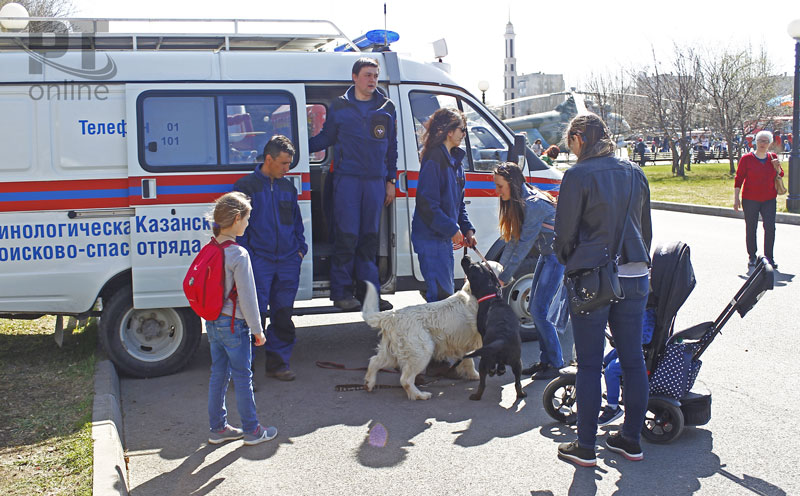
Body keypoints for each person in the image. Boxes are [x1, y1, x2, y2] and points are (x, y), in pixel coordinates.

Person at [554, 113, 652, 467]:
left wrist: (569, 259)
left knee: (590, 364)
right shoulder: (635, 172)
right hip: (635, 273)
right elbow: (645, 228)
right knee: (633, 360)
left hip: (594, 275)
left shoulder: (577, 175)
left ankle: (584, 447)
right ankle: (631, 440)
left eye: (571, 142)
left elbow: (564, 234)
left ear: (579, 138)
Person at [309, 57, 397, 312]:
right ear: (355, 77)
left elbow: (392, 147)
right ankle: (342, 292)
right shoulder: (340, 105)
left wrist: (390, 180)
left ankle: (370, 294)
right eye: (368, 75)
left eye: (376, 75)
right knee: (346, 237)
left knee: (369, 240)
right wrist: (299, 148)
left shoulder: (387, 107)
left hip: (375, 182)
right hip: (347, 180)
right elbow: (327, 137)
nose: (372, 80)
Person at [205, 192, 278, 446]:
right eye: (247, 219)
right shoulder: (238, 254)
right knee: (243, 377)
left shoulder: (211, 247)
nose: (248, 224)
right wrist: (258, 330)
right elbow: (248, 298)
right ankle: (252, 430)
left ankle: (217, 428)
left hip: (213, 321)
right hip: (234, 324)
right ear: (237, 219)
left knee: (218, 374)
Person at [234, 135, 307, 381]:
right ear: (269, 159)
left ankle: (278, 365)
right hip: (259, 261)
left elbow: (297, 222)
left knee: (282, 315)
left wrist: (300, 249)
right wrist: (247, 258)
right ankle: (246, 373)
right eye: (284, 163)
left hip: (288, 261)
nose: (288, 169)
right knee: (253, 318)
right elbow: (238, 228)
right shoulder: (246, 187)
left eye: (289, 164)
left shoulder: (288, 188)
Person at [493, 163, 564, 380]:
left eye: (500, 186)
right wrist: (497, 273)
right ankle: (546, 361)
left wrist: (502, 278)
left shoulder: (533, 205)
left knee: (540, 311)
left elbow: (523, 246)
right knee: (536, 309)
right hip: (547, 254)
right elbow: (513, 241)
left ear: (512, 184)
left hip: (557, 257)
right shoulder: (522, 201)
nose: (497, 191)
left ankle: (556, 363)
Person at [411, 107, 476, 302]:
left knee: (443, 296)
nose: (464, 134)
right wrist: (452, 228)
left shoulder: (456, 161)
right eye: (462, 129)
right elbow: (427, 204)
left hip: (441, 238)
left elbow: (459, 204)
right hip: (430, 239)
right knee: (441, 298)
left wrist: (467, 230)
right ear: (449, 131)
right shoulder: (434, 158)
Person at [733, 130, 783, 270]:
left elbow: (780, 174)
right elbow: (739, 179)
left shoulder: (772, 157)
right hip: (750, 199)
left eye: (766, 141)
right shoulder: (747, 159)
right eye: (761, 140)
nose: (763, 143)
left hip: (769, 199)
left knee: (770, 228)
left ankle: (769, 257)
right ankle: (752, 256)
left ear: (770, 143)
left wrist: (777, 166)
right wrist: (736, 199)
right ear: (756, 141)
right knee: (751, 227)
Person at [598, 307, 655, 425]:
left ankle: (613, 408)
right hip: (629, 345)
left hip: (637, 351)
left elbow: (645, 338)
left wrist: (623, 336)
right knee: (605, 361)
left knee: (611, 371)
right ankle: (616, 389)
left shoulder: (648, 313)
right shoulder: (642, 308)